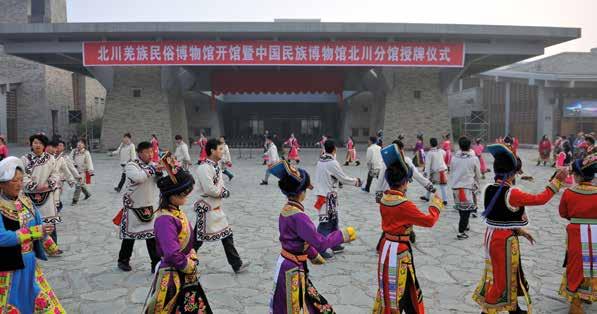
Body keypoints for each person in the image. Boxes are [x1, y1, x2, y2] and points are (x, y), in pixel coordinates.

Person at [472, 143, 568, 314]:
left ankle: (513, 308)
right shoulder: (512, 193)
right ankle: (487, 311)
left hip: (494, 236)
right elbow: (540, 198)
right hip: (503, 242)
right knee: (501, 278)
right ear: (512, 173)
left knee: (508, 272)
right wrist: (557, 180)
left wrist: (519, 231)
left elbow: (499, 218)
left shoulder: (489, 188)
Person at [268, 161, 357, 313]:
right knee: (292, 307)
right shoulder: (299, 216)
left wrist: (313, 255)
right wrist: (343, 235)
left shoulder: (286, 210)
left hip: (287, 262)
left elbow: (298, 241)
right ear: (301, 192)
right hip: (293, 269)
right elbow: (320, 242)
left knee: (304, 303)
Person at [372, 144, 444, 313]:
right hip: (399, 251)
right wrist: (436, 205)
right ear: (404, 182)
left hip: (386, 246)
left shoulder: (385, 199)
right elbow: (429, 221)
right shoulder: (405, 204)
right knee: (401, 289)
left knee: (388, 288)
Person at [144, 163, 213, 313]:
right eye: (184, 193)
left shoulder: (175, 212)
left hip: (183, 272)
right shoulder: (165, 220)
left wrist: (192, 251)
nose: (187, 196)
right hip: (173, 275)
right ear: (173, 195)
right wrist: (189, 264)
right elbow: (172, 253)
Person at [0, 156, 65, 313]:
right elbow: (2, 238)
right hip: (9, 268)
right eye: (14, 180)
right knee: (12, 305)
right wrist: (34, 232)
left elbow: (39, 225)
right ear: (2, 183)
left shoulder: (25, 201)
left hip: (30, 265)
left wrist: (51, 246)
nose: (19, 184)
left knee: (44, 304)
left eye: (21, 180)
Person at [193, 138, 249, 273]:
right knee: (197, 240)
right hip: (207, 210)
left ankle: (237, 264)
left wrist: (223, 191)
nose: (223, 152)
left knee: (227, 235)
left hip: (216, 208)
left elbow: (220, 185)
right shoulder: (203, 168)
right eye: (220, 149)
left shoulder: (216, 166)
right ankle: (184, 261)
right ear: (212, 150)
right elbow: (209, 189)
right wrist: (224, 193)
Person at [558, 152, 597, 314]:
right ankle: (587, 294)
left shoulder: (569, 193)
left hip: (575, 233)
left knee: (575, 264)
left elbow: (563, 213)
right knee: (592, 264)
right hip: (595, 232)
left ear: (578, 175)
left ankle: (575, 299)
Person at [117, 141, 162, 272]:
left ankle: (156, 264)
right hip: (134, 206)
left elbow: (158, 183)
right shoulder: (131, 165)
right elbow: (138, 178)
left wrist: (162, 173)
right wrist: (153, 169)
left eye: (151, 151)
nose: (150, 154)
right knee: (130, 236)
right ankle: (123, 260)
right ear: (140, 153)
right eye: (147, 152)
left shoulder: (153, 165)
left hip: (149, 205)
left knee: (152, 236)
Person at [313, 139, 361, 258]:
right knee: (325, 224)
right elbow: (342, 178)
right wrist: (356, 182)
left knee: (334, 222)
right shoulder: (332, 163)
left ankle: (334, 243)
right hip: (327, 197)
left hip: (324, 196)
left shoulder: (321, 161)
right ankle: (319, 248)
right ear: (334, 149)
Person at [21, 134, 62, 254]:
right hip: (29, 195)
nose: (37, 145)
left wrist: (47, 185)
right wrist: (34, 186)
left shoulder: (50, 158)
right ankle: (33, 248)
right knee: (31, 222)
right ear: (31, 144)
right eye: (35, 143)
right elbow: (23, 176)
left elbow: (55, 174)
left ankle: (53, 247)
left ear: (44, 146)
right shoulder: (24, 159)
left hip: (47, 194)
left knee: (50, 222)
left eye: (40, 143)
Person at [449, 136, 481, 240]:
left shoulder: (454, 158)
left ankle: (465, 225)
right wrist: (477, 184)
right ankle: (460, 232)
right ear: (470, 146)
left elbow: (452, 171)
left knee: (461, 209)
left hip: (456, 187)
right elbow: (478, 174)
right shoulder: (474, 158)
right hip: (467, 188)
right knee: (466, 212)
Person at [48, 141, 78, 214]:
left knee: (56, 196)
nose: (58, 147)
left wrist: (73, 178)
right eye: (57, 145)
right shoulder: (47, 157)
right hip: (47, 181)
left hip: (59, 181)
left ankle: (56, 208)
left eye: (60, 145)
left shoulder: (63, 158)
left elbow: (68, 169)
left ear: (64, 147)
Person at [423, 138, 448, 205]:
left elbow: (427, 165)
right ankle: (445, 200)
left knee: (430, 183)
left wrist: (426, 174)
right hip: (443, 170)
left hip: (435, 172)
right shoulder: (441, 151)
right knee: (443, 185)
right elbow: (445, 154)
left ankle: (427, 197)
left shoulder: (430, 153)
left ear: (430, 144)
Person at [70, 139, 94, 205]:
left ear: (84, 145)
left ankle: (74, 200)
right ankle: (87, 194)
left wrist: (90, 170)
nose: (79, 144)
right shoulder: (73, 151)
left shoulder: (86, 153)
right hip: (75, 172)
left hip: (82, 172)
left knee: (78, 185)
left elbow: (89, 162)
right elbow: (70, 159)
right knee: (81, 184)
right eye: (79, 142)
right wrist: (73, 163)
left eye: (81, 143)